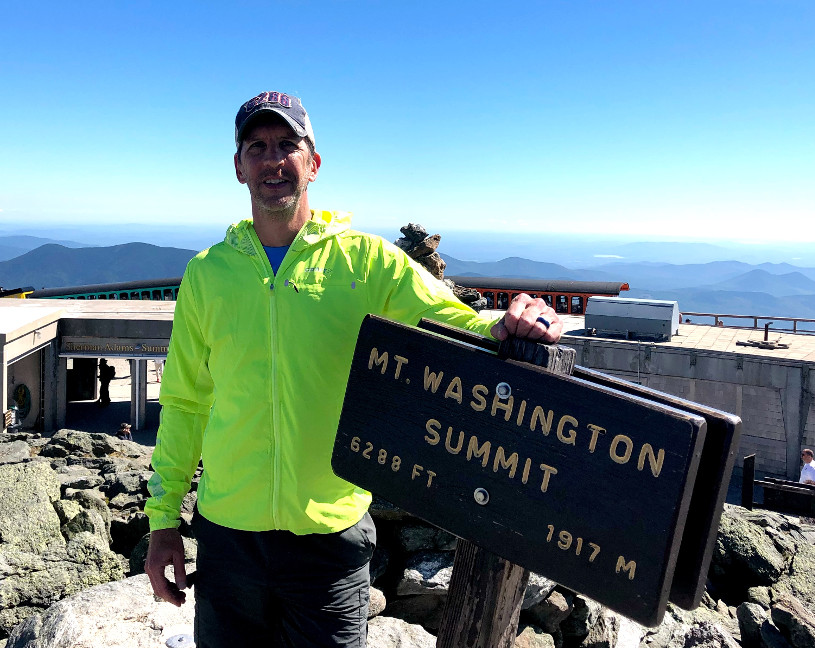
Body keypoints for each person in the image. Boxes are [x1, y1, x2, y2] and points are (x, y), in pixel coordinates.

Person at [143, 90, 563, 648]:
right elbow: (186, 401)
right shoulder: (207, 274)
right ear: (238, 167)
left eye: (287, 144)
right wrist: (163, 520)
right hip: (228, 537)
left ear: (313, 164)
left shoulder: (366, 261)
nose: (273, 159)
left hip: (330, 535)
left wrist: (513, 322)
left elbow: (449, 319)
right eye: (257, 146)